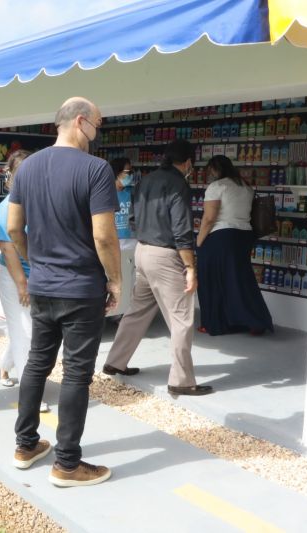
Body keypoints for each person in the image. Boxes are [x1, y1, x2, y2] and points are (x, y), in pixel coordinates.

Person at [8, 97, 121, 487]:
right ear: (80, 121)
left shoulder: (27, 168)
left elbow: (11, 228)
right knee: (76, 374)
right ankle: (67, 464)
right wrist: (116, 279)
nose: (97, 133)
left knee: (37, 364)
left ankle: (25, 445)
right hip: (81, 288)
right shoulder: (96, 170)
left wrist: (32, 260)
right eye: (97, 125)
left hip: (42, 285)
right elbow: (104, 236)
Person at [102, 138, 214, 397]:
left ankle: (115, 361)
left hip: (143, 252)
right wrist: (190, 267)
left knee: (137, 311)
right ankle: (181, 381)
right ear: (187, 162)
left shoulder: (146, 181)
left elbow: (132, 217)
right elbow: (182, 230)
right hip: (166, 256)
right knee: (182, 319)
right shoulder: (178, 185)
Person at [0, 150, 51, 413]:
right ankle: (32, 397)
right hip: (14, 278)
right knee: (26, 333)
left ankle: (3, 364)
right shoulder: (6, 209)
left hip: (36, 276)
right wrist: (21, 284)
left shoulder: (39, 202)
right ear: (12, 176)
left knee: (27, 331)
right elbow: (8, 251)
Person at [196, 155, 273, 335]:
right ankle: (255, 320)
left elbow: (209, 219)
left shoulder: (217, 187)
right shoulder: (245, 187)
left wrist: (199, 242)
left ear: (215, 169)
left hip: (222, 236)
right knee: (240, 280)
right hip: (244, 236)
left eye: (210, 170)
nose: (210, 174)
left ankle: (213, 323)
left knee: (211, 280)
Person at [110, 157, 137, 250]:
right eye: (127, 172)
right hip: (113, 241)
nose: (131, 175)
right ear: (117, 173)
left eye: (131, 172)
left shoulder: (134, 192)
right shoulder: (105, 194)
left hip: (132, 241)